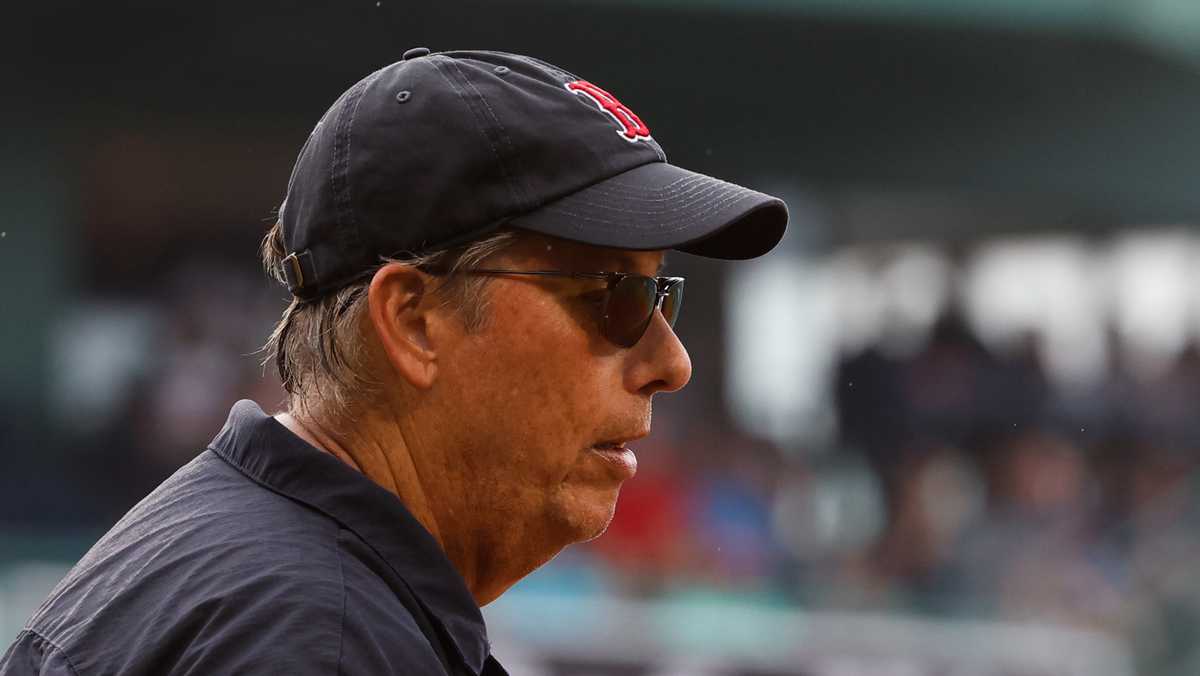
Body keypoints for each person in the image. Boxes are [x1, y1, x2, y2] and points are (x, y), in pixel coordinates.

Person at [1, 48, 787, 675]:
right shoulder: (319, 636)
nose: (671, 362)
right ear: (413, 322)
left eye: (663, 297)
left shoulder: (269, 566)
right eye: (613, 295)